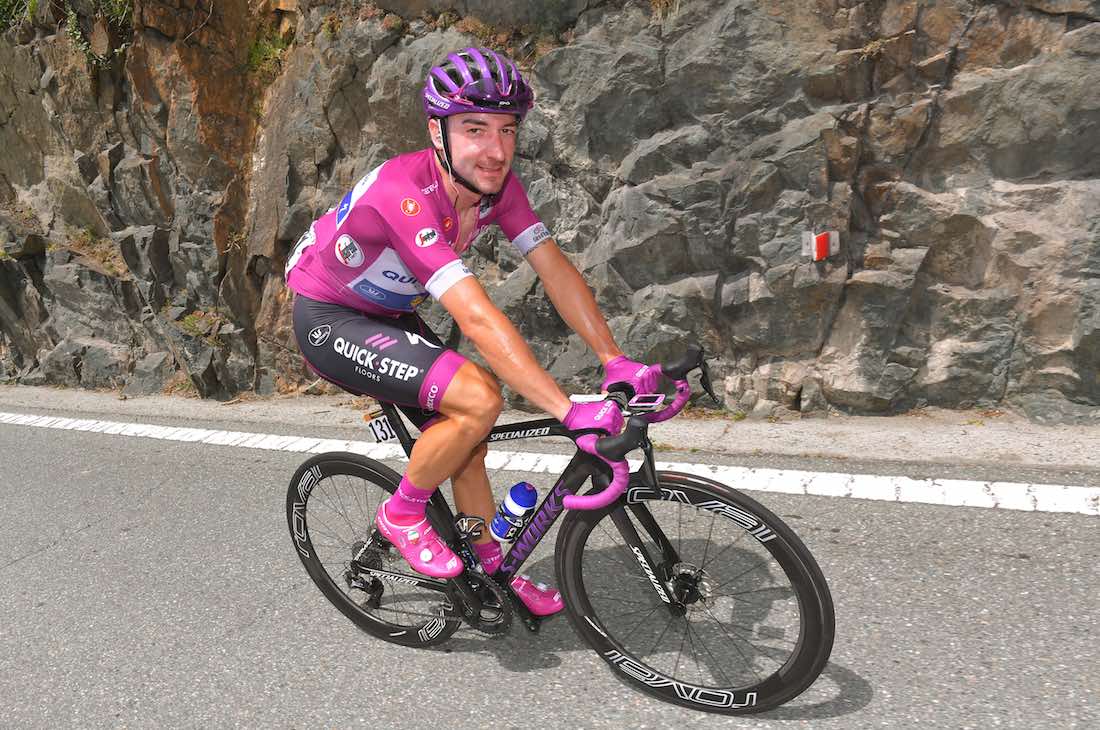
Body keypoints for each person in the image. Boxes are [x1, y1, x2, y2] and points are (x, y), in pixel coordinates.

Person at [285, 47, 661, 617]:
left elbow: (553, 267)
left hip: (390, 316)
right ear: (438, 133)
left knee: (470, 442)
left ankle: (493, 574)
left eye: (508, 130)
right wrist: (566, 409)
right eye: (475, 129)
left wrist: (614, 359)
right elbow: (477, 316)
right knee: (479, 398)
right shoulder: (402, 193)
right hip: (329, 317)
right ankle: (403, 512)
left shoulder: (499, 189)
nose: (496, 149)